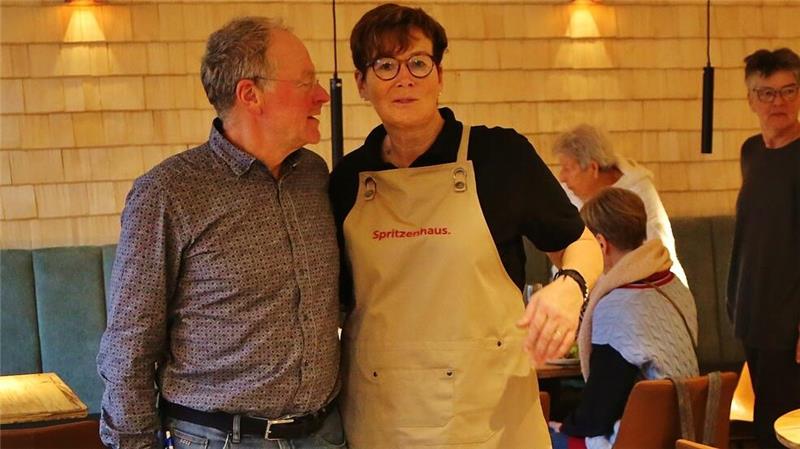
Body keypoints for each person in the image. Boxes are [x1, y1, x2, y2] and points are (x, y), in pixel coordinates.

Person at [329, 4, 603, 448]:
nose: (405, 79)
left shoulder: (500, 157)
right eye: (385, 65)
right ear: (361, 83)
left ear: (439, 75)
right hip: (382, 418)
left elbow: (581, 243)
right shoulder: (346, 181)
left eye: (419, 63)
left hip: (490, 421)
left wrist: (569, 288)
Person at [97, 17, 346, 449]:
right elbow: (129, 347)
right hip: (217, 440)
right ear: (250, 94)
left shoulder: (315, 176)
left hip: (323, 434)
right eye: (306, 82)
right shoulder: (169, 193)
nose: (322, 96)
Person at [549, 187, 698, 449]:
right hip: (684, 431)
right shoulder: (676, 287)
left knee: (537, 436)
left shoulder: (617, 306)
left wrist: (563, 426)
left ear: (600, 244)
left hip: (635, 439)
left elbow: (597, 415)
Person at [727, 47, 800, 449]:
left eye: (789, 90)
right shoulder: (751, 151)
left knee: (787, 429)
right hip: (752, 314)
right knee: (762, 424)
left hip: (791, 323)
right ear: (751, 99)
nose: (780, 102)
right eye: (767, 93)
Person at [552, 124, 688, 287]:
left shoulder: (639, 193)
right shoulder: (569, 191)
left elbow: (655, 255)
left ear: (592, 168)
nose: (562, 177)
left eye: (567, 168)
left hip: (642, 293)